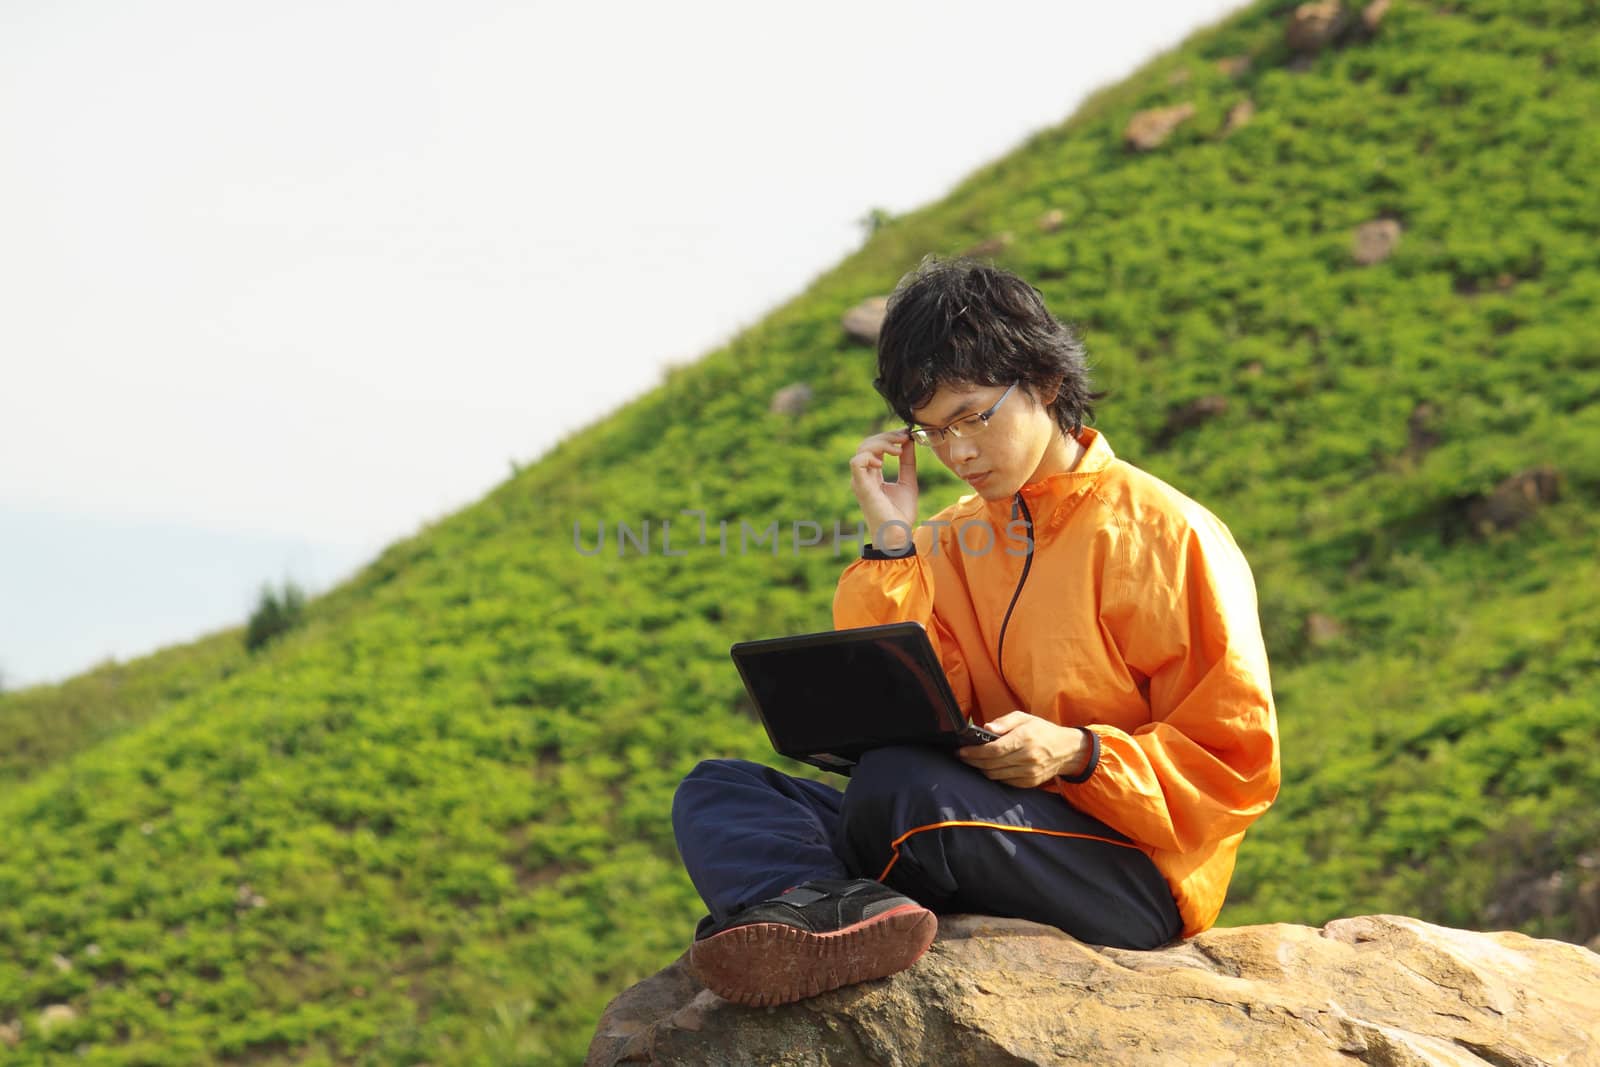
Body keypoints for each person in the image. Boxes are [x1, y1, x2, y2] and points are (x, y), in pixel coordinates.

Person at [672, 255, 1281, 1008]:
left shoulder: (1164, 533)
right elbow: (905, 698)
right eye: (931, 432)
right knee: (719, 791)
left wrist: (1080, 753)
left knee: (899, 787)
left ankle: (815, 904)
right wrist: (893, 543)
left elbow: (1235, 765)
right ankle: (834, 912)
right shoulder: (950, 538)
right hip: (959, 817)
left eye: (972, 417)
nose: (956, 453)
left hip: (1130, 872)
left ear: (1045, 383)